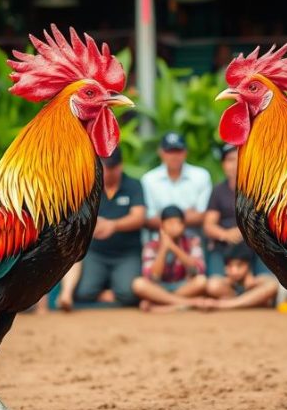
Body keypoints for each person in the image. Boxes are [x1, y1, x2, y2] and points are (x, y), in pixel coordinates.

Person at [57, 146, 145, 310]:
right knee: (83, 293)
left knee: (129, 294)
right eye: (105, 167)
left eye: (112, 168)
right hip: (95, 252)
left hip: (126, 253)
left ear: (120, 166)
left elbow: (139, 217)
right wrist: (91, 226)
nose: (108, 172)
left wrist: (114, 225)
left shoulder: (133, 185)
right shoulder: (89, 186)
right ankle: (110, 293)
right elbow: (74, 218)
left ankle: (114, 291)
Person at [132, 205, 208, 311]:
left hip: (182, 286)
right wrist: (164, 248)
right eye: (170, 223)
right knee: (138, 284)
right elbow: (153, 277)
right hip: (159, 287)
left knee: (202, 281)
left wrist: (172, 246)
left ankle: (163, 303)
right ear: (162, 226)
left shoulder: (193, 242)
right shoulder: (151, 245)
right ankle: (188, 303)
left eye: (178, 223)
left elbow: (197, 270)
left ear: (183, 225)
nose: (174, 227)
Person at [142, 132, 212, 234]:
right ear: (160, 152)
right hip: (159, 240)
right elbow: (149, 219)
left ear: (185, 152)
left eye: (178, 151)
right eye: (169, 151)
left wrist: (164, 217)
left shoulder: (201, 176)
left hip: (193, 240)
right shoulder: (149, 179)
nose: (174, 156)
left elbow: (203, 216)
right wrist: (187, 215)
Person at [204, 144, 247, 279]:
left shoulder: (257, 190)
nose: (234, 164)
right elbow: (209, 225)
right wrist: (226, 234)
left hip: (252, 247)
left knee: (269, 284)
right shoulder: (218, 191)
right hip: (223, 246)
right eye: (229, 160)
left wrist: (245, 232)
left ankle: (227, 300)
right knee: (214, 285)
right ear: (223, 164)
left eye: (238, 159)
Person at [205, 243, 279, 310]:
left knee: (272, 285)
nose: (234, 271)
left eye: (239, 265)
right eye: (230, 266)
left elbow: (272, 284)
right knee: (213, 285)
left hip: (227, 303)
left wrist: (220, 304)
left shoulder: (256, 280)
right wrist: (228, 281)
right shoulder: (227, 284)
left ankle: (227, 305)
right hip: (234, 295)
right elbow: (213, 285)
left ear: (248, 266)